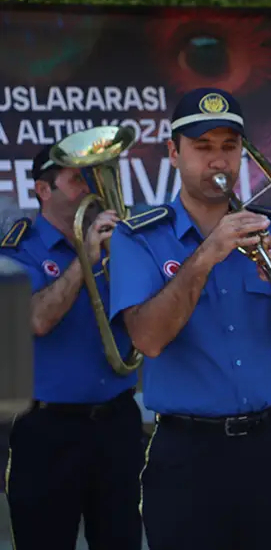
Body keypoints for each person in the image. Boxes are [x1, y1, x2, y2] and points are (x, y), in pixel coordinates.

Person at [107, 87, 271, 550]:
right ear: (173, 154)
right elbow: (148, 340)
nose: (218, 162)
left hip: (270, 446)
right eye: (202, 148)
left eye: (228, 147)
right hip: (187, 453)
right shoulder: (139, 236)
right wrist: (207, 254)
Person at [1, 144, 144, 550]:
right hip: (46, 431)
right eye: (78, 179)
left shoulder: (122, 240)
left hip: (117, 422)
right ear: (44, 190)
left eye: (95, 177)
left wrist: (128, 256)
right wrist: (86, 257)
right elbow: (36, 320)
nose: (91, 188)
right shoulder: (18, 247)